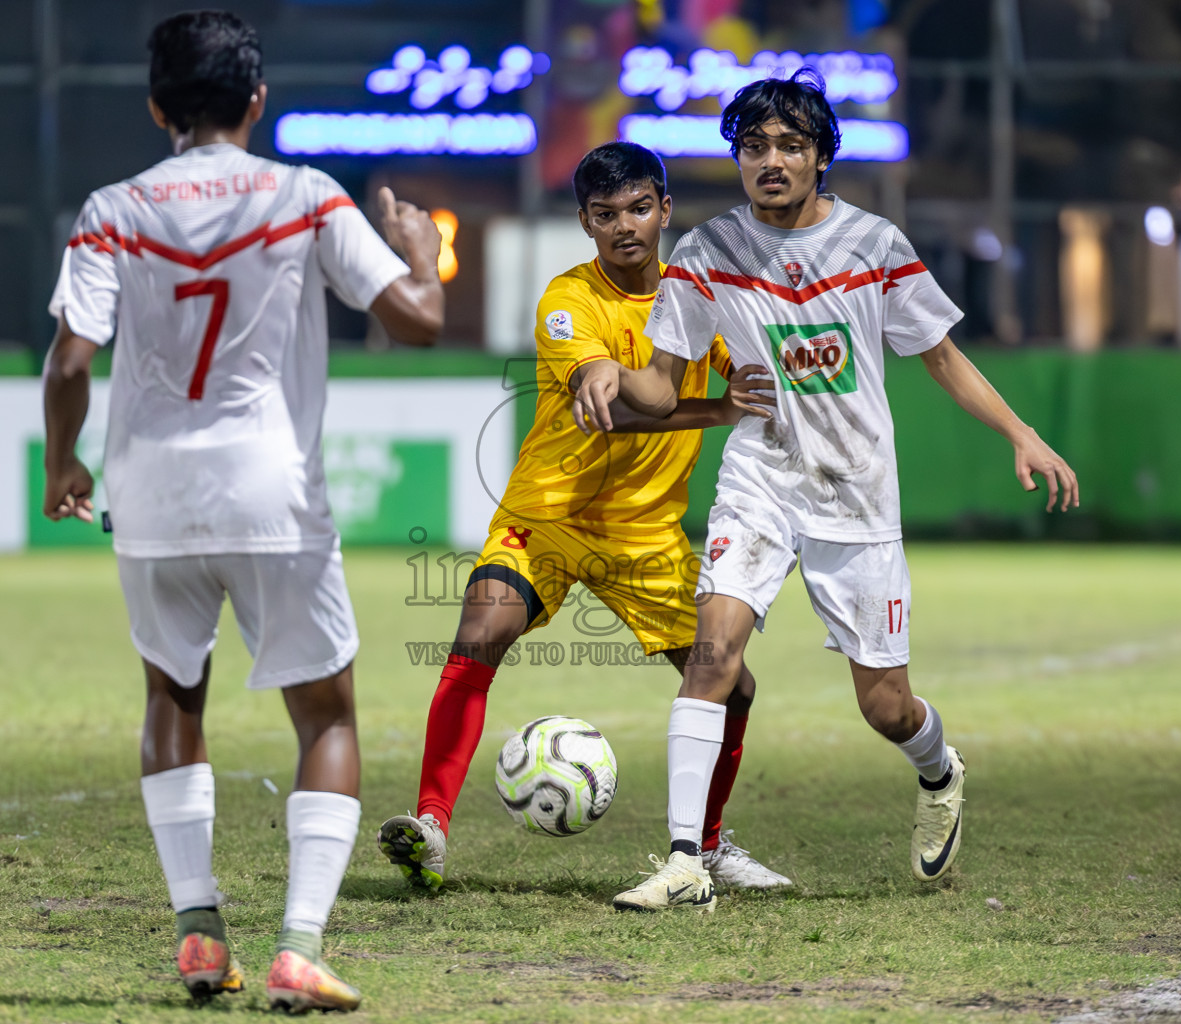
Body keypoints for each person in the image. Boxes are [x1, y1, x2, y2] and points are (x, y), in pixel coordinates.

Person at [571, 72, 1079, 913]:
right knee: (711, 656)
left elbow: (942, 356)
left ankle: (940, 771)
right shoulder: (705, 255)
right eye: (754, 146)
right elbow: (660, 388)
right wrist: (601, 371)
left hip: (856, 494)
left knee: (885, 707)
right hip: (761, 481)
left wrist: (1021, 432)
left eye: (790, 146)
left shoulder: (875, 245)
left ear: (820, 156)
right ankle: (685, 861)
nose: (770, 162)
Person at [40, 10, 444, 1011]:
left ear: (155, 106)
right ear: (258, 100)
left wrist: (64, 465)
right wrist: (421, 251)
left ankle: (197, 933)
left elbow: (70, 359)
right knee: (327, 714)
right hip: (273, 491)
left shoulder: (111, 208)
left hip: (149, 493)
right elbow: (420, 324)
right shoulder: (306, 197)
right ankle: (298, 946)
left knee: (174, 696)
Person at [377, 142, 789, 894]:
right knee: (481, 631)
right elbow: (611, 405)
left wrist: (769, 381)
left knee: (731, 687)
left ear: (665, 209)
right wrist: (710, 408)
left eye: (638, 208)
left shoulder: (702, 298)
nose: (624, 226)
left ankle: (710, 846)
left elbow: (756, 371)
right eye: (606, 215)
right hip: (550, 512)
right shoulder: (568, 300)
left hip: (645, 532)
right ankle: (430, 826)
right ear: (585, 223)